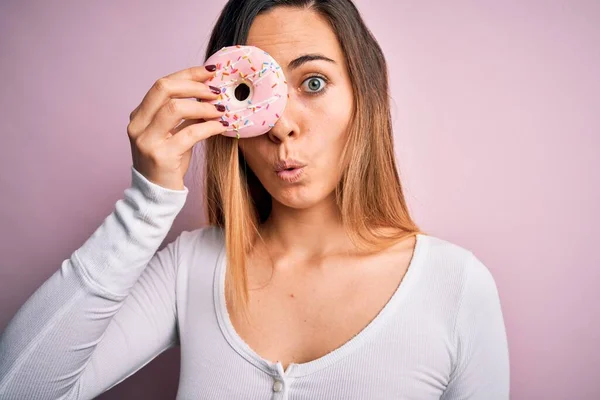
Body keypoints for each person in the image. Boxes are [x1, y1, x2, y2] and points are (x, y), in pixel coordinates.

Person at [0, 0, 510, 398]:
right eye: (252, 93)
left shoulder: (454, 287)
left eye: (313, 82)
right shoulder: (192, 269)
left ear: (364, 95)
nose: (283, 125)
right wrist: (146, 202)